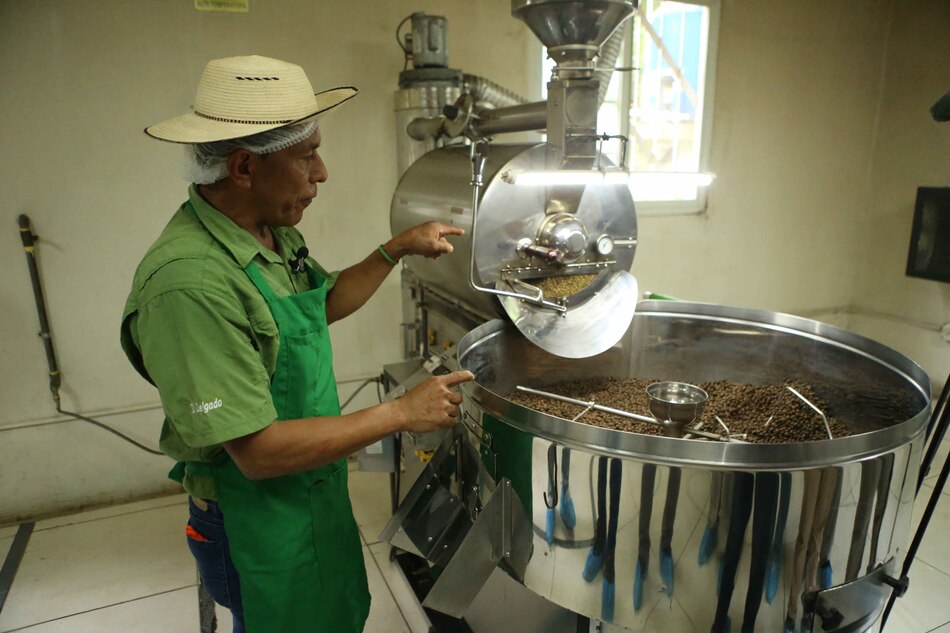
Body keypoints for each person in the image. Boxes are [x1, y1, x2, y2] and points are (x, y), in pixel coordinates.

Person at [120, 55, 474, 633]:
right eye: (306, 156)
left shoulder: (268, 232)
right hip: (252, 512)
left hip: (309, 488)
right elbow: (257, 453)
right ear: (243, 167)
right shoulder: (190, 285)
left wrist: (397, 249)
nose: (322, 172)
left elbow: (319, 306)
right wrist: (398, 413)